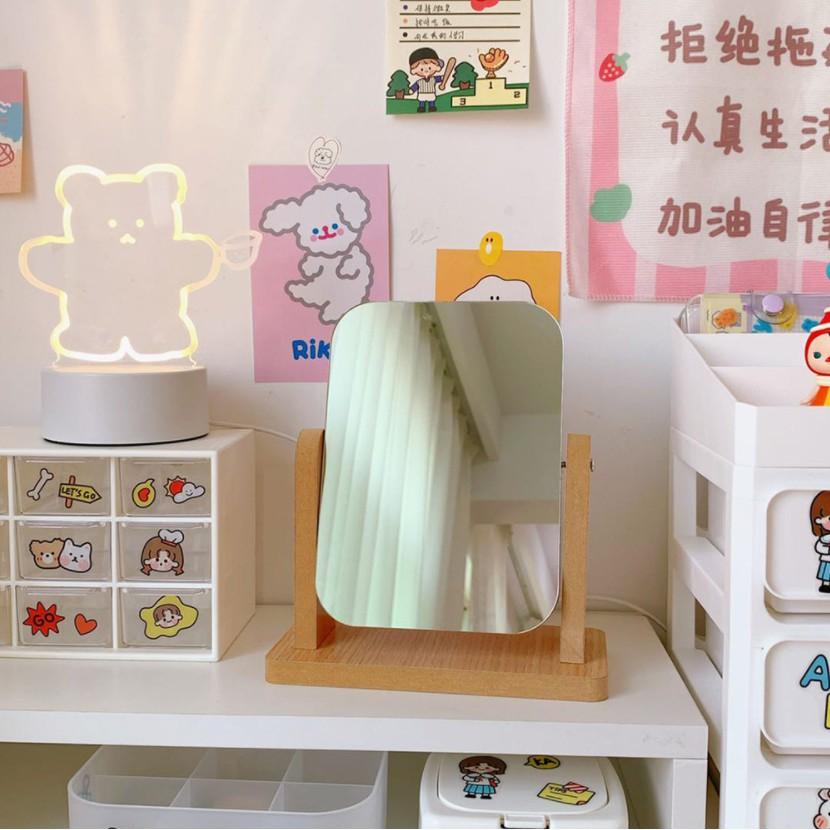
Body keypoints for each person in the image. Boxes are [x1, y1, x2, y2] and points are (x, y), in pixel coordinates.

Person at [409, 47, 453, 113]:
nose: (426, 70)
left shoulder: (433, 79)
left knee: (431, 101)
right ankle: (421, 107)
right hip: (422, 94)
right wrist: (412, 90)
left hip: (431, 93)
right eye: (421, 69)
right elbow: (415, 86)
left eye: (430, 68)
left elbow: (442, 78)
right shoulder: (419, 81)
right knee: (421, 101)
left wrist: (444, 80)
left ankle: (432, 107)